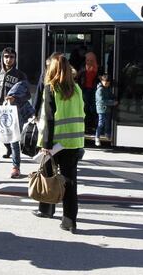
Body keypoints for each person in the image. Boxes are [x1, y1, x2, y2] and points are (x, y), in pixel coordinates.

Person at [32, 53, 85, 234]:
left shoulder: (50, 88)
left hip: (54, 143)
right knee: (70, 183)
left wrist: (45, 144)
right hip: (74, 142)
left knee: (48, 177)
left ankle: (47, 210)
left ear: (52, 69)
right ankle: (70, 221)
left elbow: (48, 120)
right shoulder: (77, 88)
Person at [0, 47, 28, 178]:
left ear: (15, 59)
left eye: (11, 57)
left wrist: (15, 99)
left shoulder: (20, 75)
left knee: (14, 140)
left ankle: (16, 167)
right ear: (2, 58)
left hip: (12, 111)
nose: (8, 59)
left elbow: (27, 94)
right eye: (6, 56)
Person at [76, 51, 100, 133]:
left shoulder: (98, 68)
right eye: (88, 60)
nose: (89, 62)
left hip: (94, 90)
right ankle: (85, 126)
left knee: (94, 108)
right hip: (85, 90)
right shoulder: (83, 69)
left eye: (91, 60)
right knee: (85, 108)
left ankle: (94, 126)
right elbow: (77, 78)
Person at [95, 74, 117, 146]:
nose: (106, 84)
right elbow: (102, 101)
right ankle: (97, 137)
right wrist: (113, 102)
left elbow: (110, 95)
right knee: (101, 123)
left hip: (107, 109)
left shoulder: (108, 89)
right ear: (101, 81)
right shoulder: (100, 90)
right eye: (105, 82)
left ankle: (107, 134)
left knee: (107, 122)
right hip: (101, 109)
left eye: (108, 83)